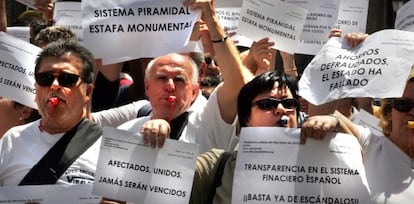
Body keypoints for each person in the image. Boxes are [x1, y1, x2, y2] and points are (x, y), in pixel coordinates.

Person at [189, 70, 363, 204]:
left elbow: (361, 177)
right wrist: (161, 136)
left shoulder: (321, 162)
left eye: (288, 104)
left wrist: (337, 125)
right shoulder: (217, 165)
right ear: (245, 119)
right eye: (266, 104)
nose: (281, 109)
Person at [117, 0, 252, 153]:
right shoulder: (125, 132)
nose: (170, 86)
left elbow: (236, 84)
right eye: (161, 78)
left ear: (194, 91)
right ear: (147, 87)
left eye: (179, 79)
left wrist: (212, 21)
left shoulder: (206, 125)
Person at [0, 40, 102, 186]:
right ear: (36, 87)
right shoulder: (10, 141)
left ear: (88, 92)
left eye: (67, 79)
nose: (54, 86)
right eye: (45, 79)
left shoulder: (110, 149)